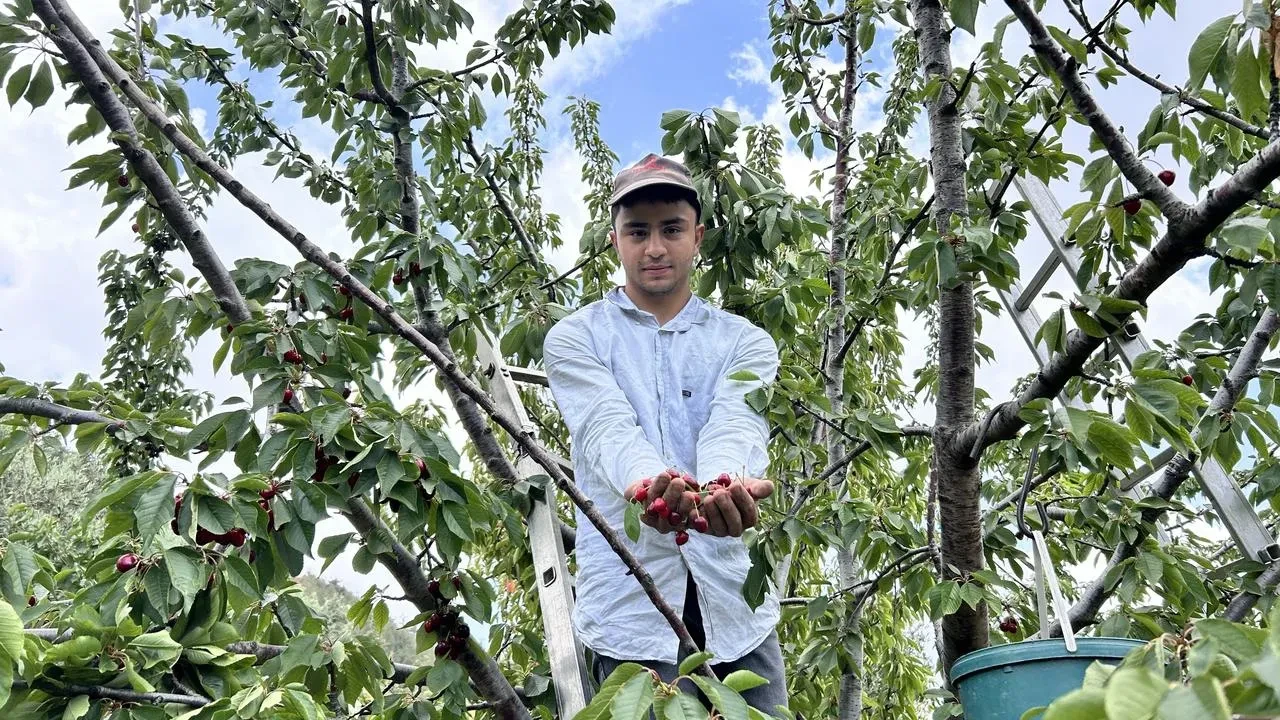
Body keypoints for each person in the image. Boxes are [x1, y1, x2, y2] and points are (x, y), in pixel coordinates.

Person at [542, 153, 787, 714]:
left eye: (671, 229)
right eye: (638, 232)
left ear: (697, 237)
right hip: (629, 615)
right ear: (615, 241)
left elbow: (737, 422)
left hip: (734, 605)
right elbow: (605, 425)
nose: (654, 248)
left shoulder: (745, 343)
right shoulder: (574, 338)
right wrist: (647, 486)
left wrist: (725, 485)